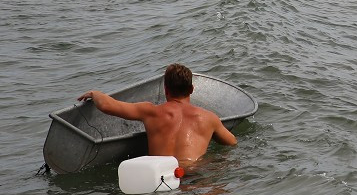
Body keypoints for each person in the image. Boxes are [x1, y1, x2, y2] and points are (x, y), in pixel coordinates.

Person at [77, 64, 237, 165]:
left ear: (165, 89)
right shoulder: (209, 118)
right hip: (194, 173)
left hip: (160, 173)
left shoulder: (150, 112)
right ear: (191, 90)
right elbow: (232, 143)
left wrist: (94, 92)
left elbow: (106, 105)